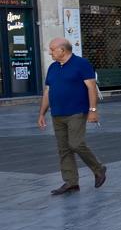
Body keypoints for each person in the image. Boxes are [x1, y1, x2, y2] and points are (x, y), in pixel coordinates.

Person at [37, 38, 107, 195]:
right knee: (64, 149)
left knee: (75, 144)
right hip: (57, 113)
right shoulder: (53, 67)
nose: (50, 52)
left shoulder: (81, 64)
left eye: (52, 49)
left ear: (62, 50)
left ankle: (98, 168)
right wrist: (42, 113)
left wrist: (93, 110)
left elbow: (91, 87)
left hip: (76, 112)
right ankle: (71, 182)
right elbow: (48, 91)